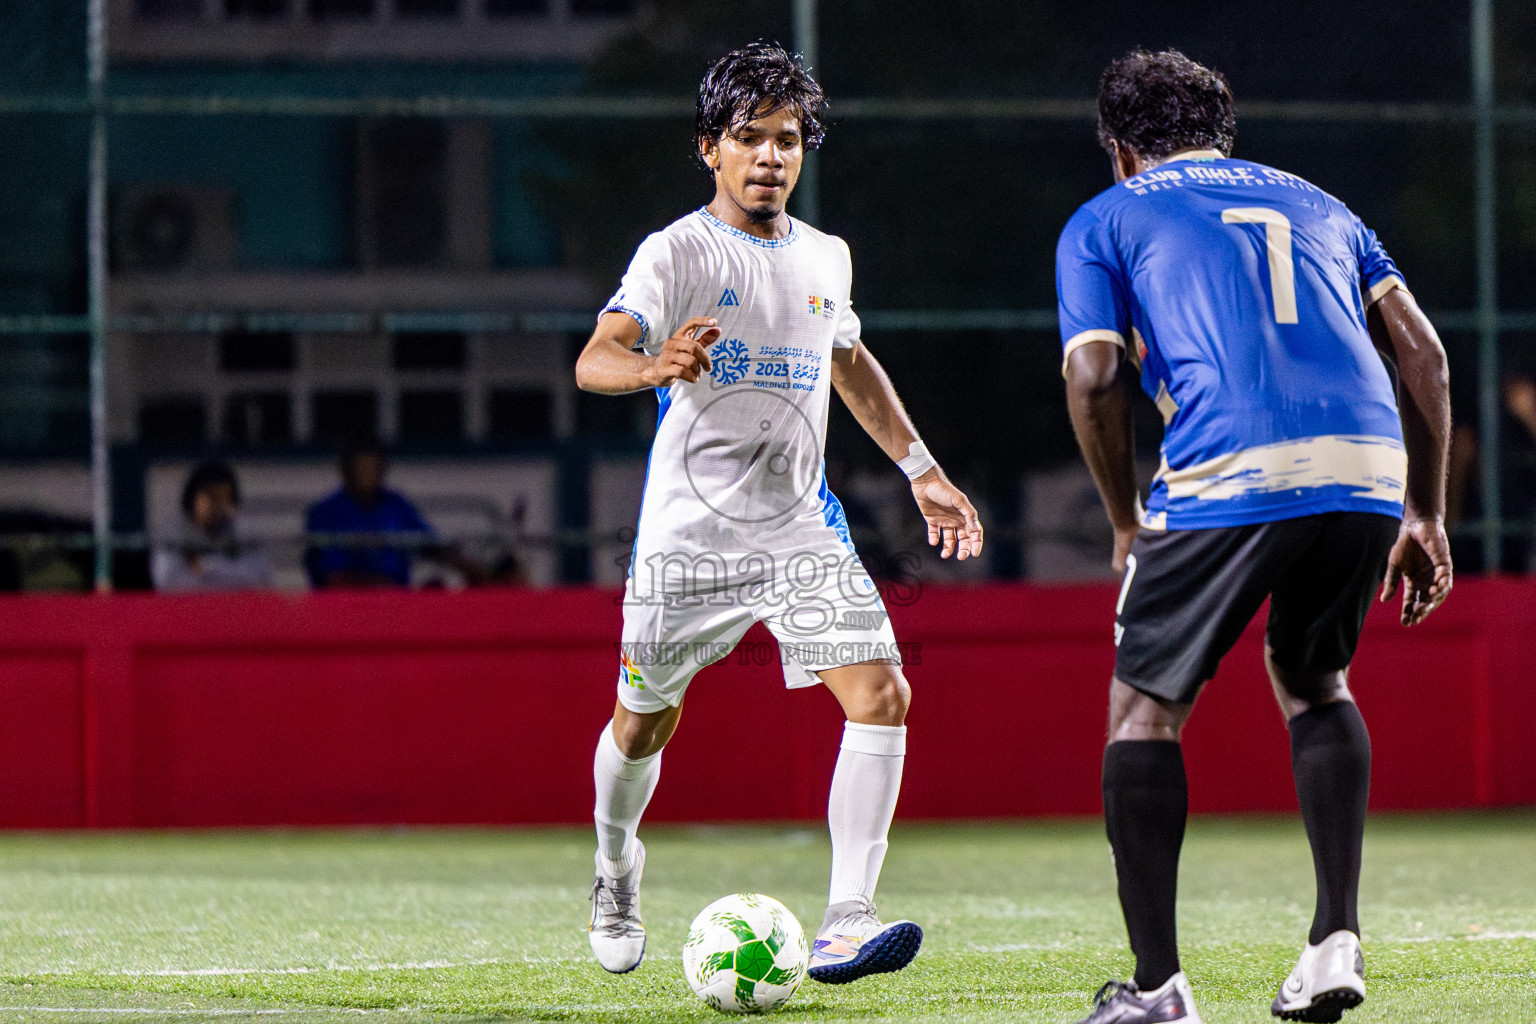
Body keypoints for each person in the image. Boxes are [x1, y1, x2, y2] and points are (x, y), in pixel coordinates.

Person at [573, 42, 982, 984]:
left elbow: (847, 361)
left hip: (800, 527)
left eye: (787, 140)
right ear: (709, 148)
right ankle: (614, 866)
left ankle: (847, 917)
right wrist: (650, 367)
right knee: (640, 722)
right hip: (689, 538)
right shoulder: (676, 251)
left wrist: (921, 467)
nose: (770, 157)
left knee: (882, 693)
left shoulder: (825, 255)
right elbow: (595, 356)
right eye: (749, 137)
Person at [1056, 50, 1452, 1024]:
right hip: (1366, 463)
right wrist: (1426, 513)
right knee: (1317, 680)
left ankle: (1156, 990)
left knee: (1142, 713)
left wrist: (1121, 521)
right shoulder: (1324, 205)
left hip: (1231, 465)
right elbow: (1426, 355)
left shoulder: (1106, 217)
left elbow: (1097, 378)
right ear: (1221, 131)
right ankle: (1334, 941)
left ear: (1119, 149)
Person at [305, 437, 484, 589]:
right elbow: (333, 577)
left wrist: (475, 570)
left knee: (439, 589)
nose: (370, 475)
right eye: (362, 468)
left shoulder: (395, 504)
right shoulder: (325, 512)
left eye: (375, 468)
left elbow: (429, 542)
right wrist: (384, 588)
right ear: (346, 470)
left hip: (398, 602)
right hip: (348, 607)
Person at [152, 459, 274, 592]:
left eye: (223, 496)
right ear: (193, 497)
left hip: (236, 609)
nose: (217, 503)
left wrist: (208, 567)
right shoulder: (175, 534)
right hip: (187, 609)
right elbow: (165, 580)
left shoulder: (244, 534)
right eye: (210, 495)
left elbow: (261, 579)